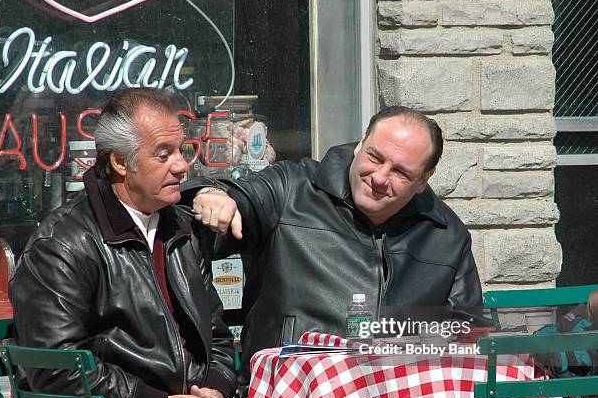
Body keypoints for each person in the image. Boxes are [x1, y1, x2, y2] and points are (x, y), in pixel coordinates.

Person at [9, 88, 281, 398]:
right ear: (121, 162)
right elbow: (57, 371)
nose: (183, 164)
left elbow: (214, 335)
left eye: (183, 149)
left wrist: (212, 389)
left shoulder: (180, 227)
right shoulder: (63, 243)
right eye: (164, 153)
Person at [186, 106, 483, 381]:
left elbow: (466, 340)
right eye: (375, 157)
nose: (379, 178)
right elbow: (242, 198)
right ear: (359, 144)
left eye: (400, 172)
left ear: (423, 180)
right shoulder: (293, 188)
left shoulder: (446, 235)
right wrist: (212, 194)